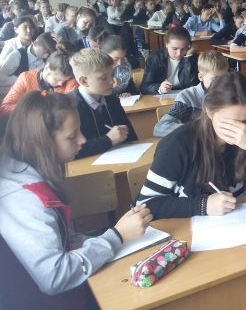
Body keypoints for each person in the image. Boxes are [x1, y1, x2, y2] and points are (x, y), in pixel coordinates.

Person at [0, 92, 151, 309]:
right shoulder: (24, 198)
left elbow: (61, 238)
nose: (82, 140)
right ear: (41, 142)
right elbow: (54, 277)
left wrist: (109, 237)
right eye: (72, 136)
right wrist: (117, 235)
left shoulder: (30, 172)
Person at [137, 72, 246, 218]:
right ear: (209, 112)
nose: (239, 131)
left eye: (245, 121)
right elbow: (145, 205)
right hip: (187, 227)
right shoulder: (177, 145)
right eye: (228, 123)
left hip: (237, 223)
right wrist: (203, 205)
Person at [68, 48, 137, 158]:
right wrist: (108, 140)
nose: (112, 81)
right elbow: (71, 152)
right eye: (103, 78)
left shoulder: (112, 100)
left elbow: (131, 137)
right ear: (84, 81)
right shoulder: (69, 108)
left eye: (112, 74)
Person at [0, 49, 77, 115]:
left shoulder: (68, 81)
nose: (61, 84)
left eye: (64, 81)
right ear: (46, 68)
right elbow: (5, 108)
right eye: (57, 79)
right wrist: (32, 109)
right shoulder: (25, 78)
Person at [140, 27, 199, 95]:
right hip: (162, 97)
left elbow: (193, 87)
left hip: (184, 96)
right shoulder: (156, 58)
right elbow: (144, 87)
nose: (179, 53)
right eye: (174, 49)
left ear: (189, 46)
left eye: (183, 49)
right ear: (166, 45)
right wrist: (159, 88)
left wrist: (188, 58)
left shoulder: (192, 58)